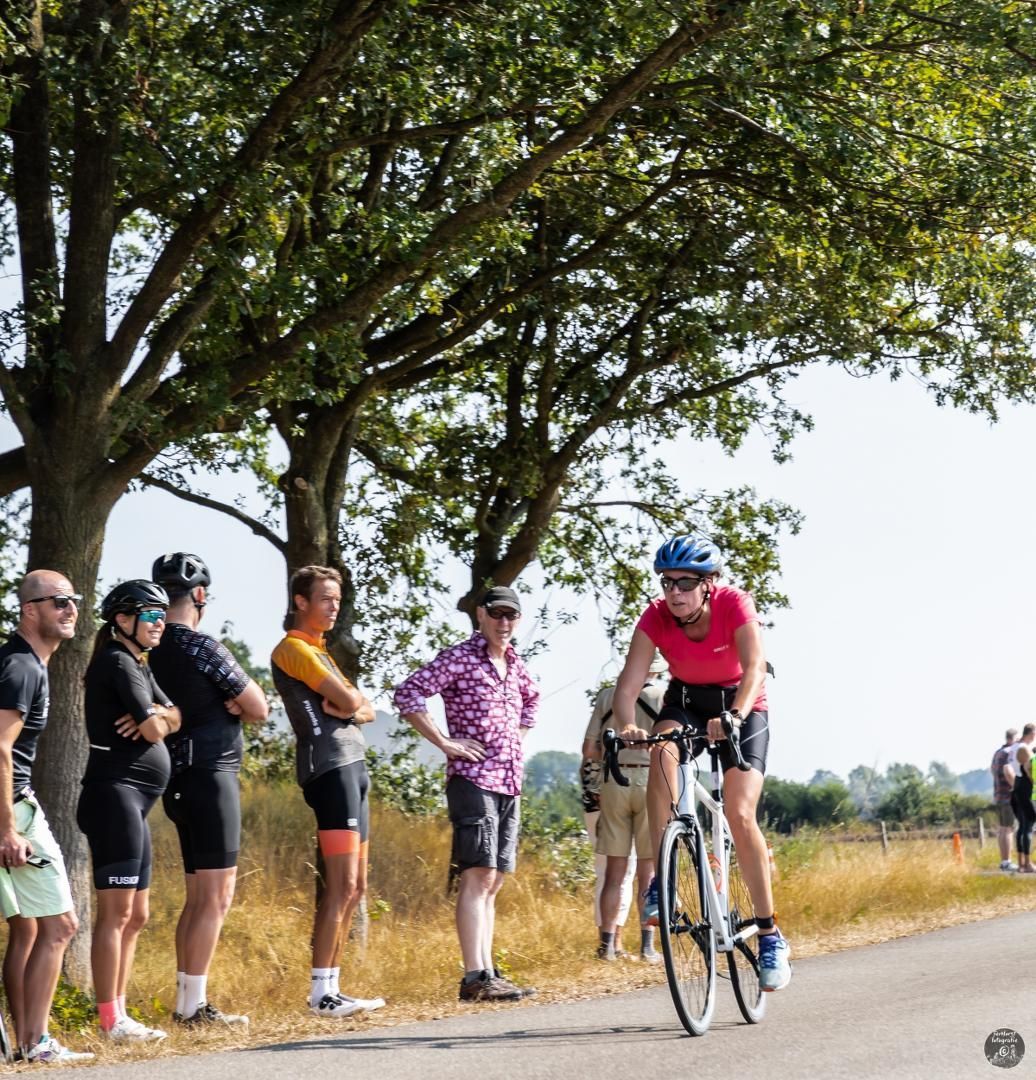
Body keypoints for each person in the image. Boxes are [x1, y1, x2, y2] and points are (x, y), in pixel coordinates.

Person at [612, 534, 791, 993]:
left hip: (741, 704)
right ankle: (662, 882)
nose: (674, 592)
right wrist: (628, 724)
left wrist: (734, 714)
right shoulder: (655, 616)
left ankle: (770, 935)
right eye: (668, 582)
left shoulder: (735, 604)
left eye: (686, 582)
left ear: (709, 583)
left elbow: (754, 667)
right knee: (661, 753)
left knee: (740, 812)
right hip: (687, 700)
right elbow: (629, 683)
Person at [394, 586, 540, 1004]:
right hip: (473, 777)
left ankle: (489, 971)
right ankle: (474, 976)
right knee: (477, 874)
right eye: (496, 614)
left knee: (493, 879)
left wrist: (518, 739)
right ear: (481, 615)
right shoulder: (460, 657)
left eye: (511, 616)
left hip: (509, 780)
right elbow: (408, 693)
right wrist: (443, 741)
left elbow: (533, 701)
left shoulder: (516, 666)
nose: (504, 623)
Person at [149, 552, 269, 1027]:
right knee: (216, 898)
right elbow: (257, 706)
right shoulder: (203, 647)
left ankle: (186, 1002)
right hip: (213, 776)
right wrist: (233, 703)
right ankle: (193, 1007)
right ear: (199, 595)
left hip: (175, 779)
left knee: (198, 896)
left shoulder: (151, 650)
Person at [271, 565, 384, 1019]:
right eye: (325, 598)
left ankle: (333, 988)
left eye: (337, 599)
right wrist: (351, 705)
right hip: (329, 769)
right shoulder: (293, 649)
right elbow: (353, 700)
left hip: (353, 766)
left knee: (356, 886)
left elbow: (365, 708)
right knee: (340, 885)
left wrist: (350, 708)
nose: (334, 606)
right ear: (300, 602)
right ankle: (321, 993)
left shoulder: (322, 652)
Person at [77, 579, 181, 1042]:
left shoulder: (137, 662)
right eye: (151, 614)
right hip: (114, 795)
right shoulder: (118, 661)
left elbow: (174, 716)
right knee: (117, 914)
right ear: (123, 619)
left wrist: (160, 713)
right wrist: (158, 718)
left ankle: (119, 1013)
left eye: (163, 614)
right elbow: (158, 731)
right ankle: (110, 1020)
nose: (161, 622)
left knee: (137, 915)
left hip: (135, 800)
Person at [0, 570, 94, 1064]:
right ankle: (35, 1043)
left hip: (14, 805)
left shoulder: (25, 664)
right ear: (30, 609)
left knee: (32, 928)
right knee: (60, 925)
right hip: (12, 809)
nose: (69, 609)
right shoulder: (22, 668)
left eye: (73, 601)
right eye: (57, 602)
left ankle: (24, 1044)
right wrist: (9, 829)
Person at [581, 651, 668, 962]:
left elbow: (589, 748)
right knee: (648, 870)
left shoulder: (607, 696)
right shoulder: (664, 696)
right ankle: (648, 946)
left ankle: (607, 946)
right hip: (652, 782)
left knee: (615, 872)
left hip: (614, 779)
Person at [991, 729, 1019, 872]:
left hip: (998, 795)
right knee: (1009, 829)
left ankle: (1004, 861)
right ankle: (1007, 862)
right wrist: (1016, 788)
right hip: (1008, 795)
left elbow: (992, 770)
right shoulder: (1010, 753)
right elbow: (1009, 771)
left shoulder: (998, 752)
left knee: (1003, 829)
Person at [1010, 724, 1036, 874]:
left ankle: (1021, 863)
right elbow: (1027, 769)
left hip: (1017, 785)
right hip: (1026, 786)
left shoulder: (1013, 747)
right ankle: (1028, 864)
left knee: (1022, 825)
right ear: (1031, 733)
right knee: (1029, 824)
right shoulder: (1025, 748)